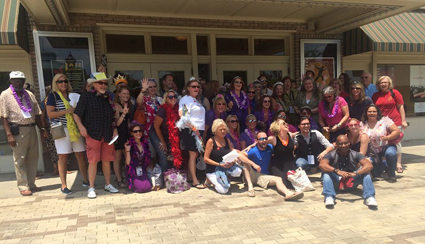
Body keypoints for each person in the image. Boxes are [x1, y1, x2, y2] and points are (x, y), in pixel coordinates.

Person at [0, 71, 48, 196]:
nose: (18, 82)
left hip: (32, 128)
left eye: (21, 79)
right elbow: (4, 117)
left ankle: (31, 184)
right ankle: (23, 186)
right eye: (16, 80)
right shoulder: (5, 95)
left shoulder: (29, 94)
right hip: (18, 130)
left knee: (33, 157)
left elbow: (37, 113)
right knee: (20, 159)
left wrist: (42, 129)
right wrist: (9, 134)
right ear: (10, 81)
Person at [73, 72, 120, 199]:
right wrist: (81, 127)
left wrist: (114, 129)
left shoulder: (108, 99)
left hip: (107, 134)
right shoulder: (86, 97)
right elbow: (76, 114)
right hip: (93, 133)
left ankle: (108, 184)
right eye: (101, 83)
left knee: (106, 161)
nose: (104, 85)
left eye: (105, 83)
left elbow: (112, 118)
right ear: (94, 84)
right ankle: (91, 187)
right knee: (93, 161)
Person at [46, 73, 89, 194]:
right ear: (56, 83)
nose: (63, 83)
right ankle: (64, 185)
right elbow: (50, 114)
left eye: (65, 81)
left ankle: (85, 180)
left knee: (80, 155)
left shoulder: (73, 95)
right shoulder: (53, 96)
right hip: (61, 129)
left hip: (75, 128)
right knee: (63, 157)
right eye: (60, 81)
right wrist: (67, 111)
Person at [237, 131, 304, 200]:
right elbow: (239, 155)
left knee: (278, 179)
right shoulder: (253, 150)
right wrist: (253, 164)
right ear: (256, 140)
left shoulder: (270, 148)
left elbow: (281, 148)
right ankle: (250, 187)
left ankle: (288, 193)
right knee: (244, 162)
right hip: (252, 174)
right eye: (261, 139)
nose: (264, 141)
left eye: (266, 138)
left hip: (263, 176)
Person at [319, 135, 377, 208]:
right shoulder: (330, 154)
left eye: (346, 143)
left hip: (351, 181)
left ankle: (369, 197)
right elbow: (322, 164)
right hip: (336, 182)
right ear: (336, 144)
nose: (343, 146)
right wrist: (336, 171)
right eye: (340, 143)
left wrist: (356, 173)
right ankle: (329, 196)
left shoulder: (356, 154)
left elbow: (369, 165)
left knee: (366, 173)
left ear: (349, 143)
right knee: (327, 173)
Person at [372, 76, 407, 174]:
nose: (383, 84)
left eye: (385, 82)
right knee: (383, 142)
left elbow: (401, 107)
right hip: (381, 123)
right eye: (381, 83)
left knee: (396, 142)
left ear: (389, 83)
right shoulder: (375, 95)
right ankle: (386, 163)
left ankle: (398, 163)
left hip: (395, 121)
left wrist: (403, 121)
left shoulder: (395, 93)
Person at [203, 119, 247, 195]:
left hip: (225, 167)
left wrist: (233, 162)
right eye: (220, 130)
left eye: (224, 129)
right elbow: (206, 159)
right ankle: (209, 180)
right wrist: (219, 164)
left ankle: (224, 178)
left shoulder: (227, 140)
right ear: (215, 130)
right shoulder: (211, 141)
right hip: (213, 169)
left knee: (238, 171)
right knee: (224, 190)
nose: (223, 132)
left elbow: (232, 153)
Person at [178, 78, 206, 189]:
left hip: (198, 129)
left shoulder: (196, 100)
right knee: (193, 154)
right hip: (191, 130)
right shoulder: (185, 99)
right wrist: (194, 128)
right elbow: (183, 115)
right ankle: (195, 180)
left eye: (198, 87)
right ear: (188, 88)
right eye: (193, 86)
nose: (196, 88)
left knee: (195, 154)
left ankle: (190, 177)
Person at [361, 105, 400, 182]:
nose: (372, 113)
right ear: (366, 113)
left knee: (391, 154)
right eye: (369, 111)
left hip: (386, 146)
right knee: (376, 174)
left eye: (374, 111)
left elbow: (397, 131)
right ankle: (385, 165)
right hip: (372, 151)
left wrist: (387, 137)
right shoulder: (362, 123)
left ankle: (391, 173)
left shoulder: (385, 120)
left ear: (378, 112)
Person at [151, 89, 182, 173]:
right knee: (163, 154)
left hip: (168, 134)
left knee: (172, 155)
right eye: (170, 97)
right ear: (166, 99)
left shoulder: (178, 109)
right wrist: (163, 142)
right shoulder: (162, 110)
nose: (173, 99)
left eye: (174, 96)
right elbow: (156, 126)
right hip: (156, 134)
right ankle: (165, 178)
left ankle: (173, 177)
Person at [112, 86, 133, 188]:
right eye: (124, 93)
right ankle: (119, 179)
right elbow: (117, 123)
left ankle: (129, 176)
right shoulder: (115, 105)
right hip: (119, 133)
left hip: (128, 133)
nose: (126, 96)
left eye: (127, 94)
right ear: (119, 94)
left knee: (128, 156)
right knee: (118, 157)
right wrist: (124, 114)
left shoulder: (130, 104)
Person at [268, 120, 297, 188]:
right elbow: (260, 142)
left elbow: (300, 133)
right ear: (278, 127)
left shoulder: (290, 134)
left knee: (294, 184)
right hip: (278, 166)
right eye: (283, 123)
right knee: (284, 183)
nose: (286, 124)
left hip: (290, 164)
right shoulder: (273, 138)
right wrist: (249, 147)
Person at [124, 122, 152, 193]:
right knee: (140, 189)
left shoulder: (145, 143)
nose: (138, 133)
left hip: (142, 169)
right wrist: (127, 150)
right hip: (133, 170)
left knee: (148, 187)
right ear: (132, 133)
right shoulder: (129, 145)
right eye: (135, 131)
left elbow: (147, 158)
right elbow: (127, 163)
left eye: (139, 131)